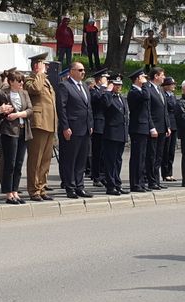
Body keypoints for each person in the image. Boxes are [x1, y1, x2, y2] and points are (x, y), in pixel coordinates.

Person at [56, 61, 93, 199]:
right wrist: (65, 127)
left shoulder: (84, 86)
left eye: (83, 70)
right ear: (71, 71)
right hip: (72, 128)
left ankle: (79, 186)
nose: (83, 72)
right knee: (70, 159)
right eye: (80, 70)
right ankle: (70, 187)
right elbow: (62, 108)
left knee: (81, 160)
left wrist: (90, 124)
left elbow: (88, 107)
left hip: (84, 129)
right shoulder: (64, 85)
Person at [0, 70, 32, 204]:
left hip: (23, 130)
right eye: (18, 81)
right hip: (10, 131)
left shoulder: (24, 93)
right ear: (11, 82)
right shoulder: (4, 93)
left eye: (22, 80)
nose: (21, 83)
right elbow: (1, 108)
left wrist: (18, 114)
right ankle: (8, 193)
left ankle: (15, 191)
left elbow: (30, 109)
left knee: (19, 163)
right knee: (9, 163)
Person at [24, 52, 57, 201]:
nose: (47, 68)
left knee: (45, 159)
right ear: (37, 65)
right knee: (35, 159)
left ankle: (42, 187)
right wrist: (39, 74)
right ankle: (33, 189)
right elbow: (35, 89)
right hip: (39, 123)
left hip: (49, 123)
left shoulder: (45, 80)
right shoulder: (30, 79)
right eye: (45, 65)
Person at [97, 74, 128, 195]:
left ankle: (117, 183)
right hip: (111, 134)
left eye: (120, 85)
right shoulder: (108, 96)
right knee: (110, 161)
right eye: (116, 85)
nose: (118, 87)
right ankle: (110, 186)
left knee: (118, 161)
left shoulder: (121, 98)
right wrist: (108, 91)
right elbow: (104, 105)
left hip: (121, 133)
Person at [126, 69, 154, 192]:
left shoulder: (141, 90)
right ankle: (135, 184)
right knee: (137, 157)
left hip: (144, 127)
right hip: (137, 128)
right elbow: (146, 96)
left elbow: (147, 110)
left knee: (142, 157)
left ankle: (141, 183)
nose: (145, 79)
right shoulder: (133, 92)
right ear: (137, 78)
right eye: (143, 77)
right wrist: (146, 84)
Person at [144, 68, 171, 190]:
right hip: (154, 128)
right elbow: (148, 110)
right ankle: (151, 180)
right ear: (156, 76)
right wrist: (151, 127)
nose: (164, 78)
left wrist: (167, 126)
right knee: (152, 155)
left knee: (159, 156)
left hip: (162, 128)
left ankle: (156, 179)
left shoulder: (159, 89)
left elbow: (164, 110)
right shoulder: (149, 89)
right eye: (162, 75)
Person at [160, 76, 178, 181]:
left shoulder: (173, 95)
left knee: (171, 150)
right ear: (166, 86)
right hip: (168, 124)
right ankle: (165, 173)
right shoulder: (164, 96)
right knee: (165, 151)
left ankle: (170, 172)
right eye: (172, 84)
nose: (173, 86)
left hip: (174, 124)